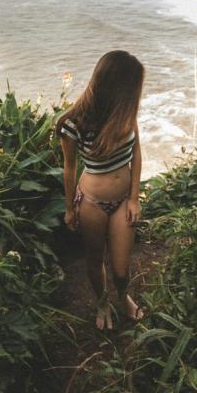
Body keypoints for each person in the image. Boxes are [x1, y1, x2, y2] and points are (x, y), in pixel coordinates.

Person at [56, 50, 146, 330]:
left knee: (120, 269)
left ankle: (122, 294)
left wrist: (134, 198)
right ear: (118, 88)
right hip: (91, 202)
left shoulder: (126, 114)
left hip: (122, 202)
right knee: (95, 260)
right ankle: (102, 302)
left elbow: (137, 152)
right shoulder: (73, 123)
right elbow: (69, 168)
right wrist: (70, 208)